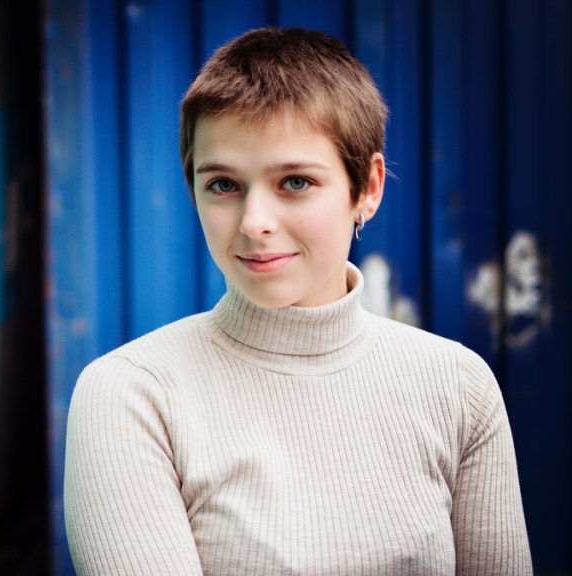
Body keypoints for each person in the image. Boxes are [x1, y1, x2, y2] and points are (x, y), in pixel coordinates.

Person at [63, 27, 532, 575]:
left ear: (368, 189)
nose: (255, 223)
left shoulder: (458, 387)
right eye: (222, 185)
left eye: (295, 182)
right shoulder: (131, 395)